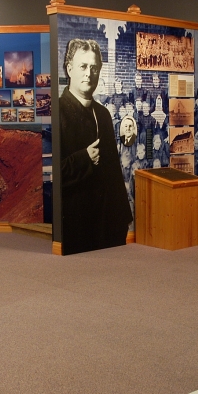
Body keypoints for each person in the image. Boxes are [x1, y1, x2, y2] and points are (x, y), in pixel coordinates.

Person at [59, 39, 132, 255]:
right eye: (83, 66)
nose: (89, 74)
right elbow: (54, 172)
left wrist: (122, 215)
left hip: (106, 220)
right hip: (76, 221)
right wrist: (85, 158)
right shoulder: (58, 112)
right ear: (70, 69)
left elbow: (113, 172)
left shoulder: (103, 114)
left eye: (94, 68)